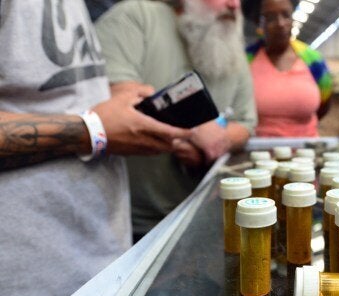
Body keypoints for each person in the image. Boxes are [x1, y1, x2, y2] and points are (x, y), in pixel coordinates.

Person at [0, 1, 193, 296]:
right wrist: (93, 128)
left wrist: (121, 108)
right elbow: (91, 123)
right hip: (31, 289)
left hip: (103, 267)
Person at [95, 0, 258, 241]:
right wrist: (195, 129)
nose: (234, 5)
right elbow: (121, 99)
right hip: (126, 224)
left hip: (201, 214)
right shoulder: (136, 17)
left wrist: (216, 142)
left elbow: (246, 123)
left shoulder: (233, 50)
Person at [245, 0, 333, 137]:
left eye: (286, 15)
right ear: (259, 24)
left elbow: (325, 102)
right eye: (270, 18)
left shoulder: (314, 60)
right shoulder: (247, 60)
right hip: (257, 152)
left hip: (306, 153)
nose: (280, 24)